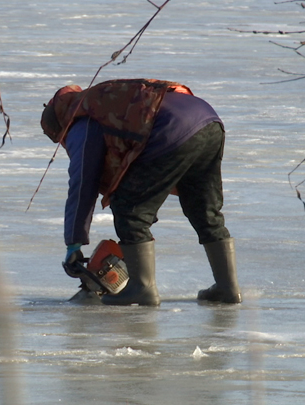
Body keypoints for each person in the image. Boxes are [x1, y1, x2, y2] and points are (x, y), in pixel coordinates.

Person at [40, 78, 241, 306]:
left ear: (60, 125)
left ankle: (142, 288)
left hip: (172, 127)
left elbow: (82, 184)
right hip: (208, 119)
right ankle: (227, 287)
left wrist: (73, 244)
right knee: (204, 208)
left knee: (129, 209)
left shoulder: (81, 122)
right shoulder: (104, 103)